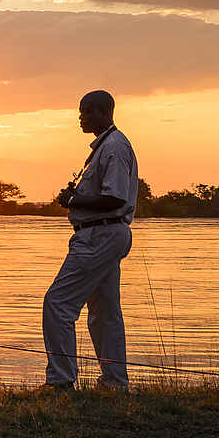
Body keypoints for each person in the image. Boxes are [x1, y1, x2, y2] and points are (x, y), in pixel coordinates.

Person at [43, 90, 139, 391]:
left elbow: (114, 198)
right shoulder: (106, 146)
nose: (80, 117)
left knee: (58, 304)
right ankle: (114, 383)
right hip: (104, 234)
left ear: (102, 112)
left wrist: (74, 199)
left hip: (100, 234)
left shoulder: (113, 147)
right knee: (104, 312)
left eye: (85, 111)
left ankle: (61, 380)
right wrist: (76, 199)